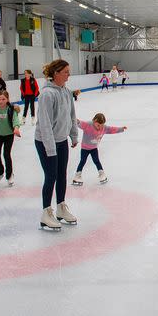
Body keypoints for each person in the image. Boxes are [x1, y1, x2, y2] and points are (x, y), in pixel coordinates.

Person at [34, 59, 79, 231]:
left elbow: (72, 116)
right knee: (51, 176)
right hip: (46, 142)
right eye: (66, 71)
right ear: (56, 73)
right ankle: (46, 213)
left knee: (61, 175)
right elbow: (44, 124)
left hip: (61, 141)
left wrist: (73, 135)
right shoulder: (47, 94)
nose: (69, 75)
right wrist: (50, 147)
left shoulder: (67, 92)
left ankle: (61, 207)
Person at [72, 113, 126, 186]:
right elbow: (81, 123)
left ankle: (101, 174)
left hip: (94, 148)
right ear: (94, 121)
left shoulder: (104, 128)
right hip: (85, 148)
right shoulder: (88, 125)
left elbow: (112, 129)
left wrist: (121, 129)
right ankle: (77, 176)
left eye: (102, 125)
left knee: (96, 161)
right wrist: (77, 121)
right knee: (82, 161)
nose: (100, 127)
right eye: (98, 125)